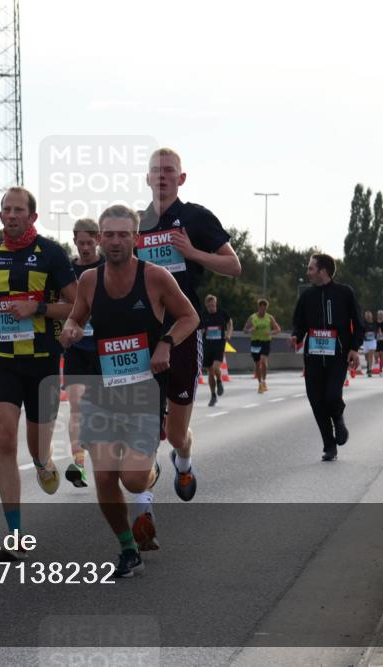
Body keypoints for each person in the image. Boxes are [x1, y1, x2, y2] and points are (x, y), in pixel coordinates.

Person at [60, 205, 199, 577]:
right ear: (101, 239)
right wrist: (71, 328)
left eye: (124, 234)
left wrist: (166, 343)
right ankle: (127, 548)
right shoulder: (90, 279)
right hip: (103, 390)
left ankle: (151, 467)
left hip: (142, 392)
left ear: (135, 238)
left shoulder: (156, 277)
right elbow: (77, 315)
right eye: (110, 235)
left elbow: (190, 316)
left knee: (132, 478)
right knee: (105, 475)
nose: (116, 241)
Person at [0, 187, 77, 561]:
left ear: (33, 217)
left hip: (41, 360)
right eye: (6, 210)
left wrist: (37, 307)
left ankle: (43, 462)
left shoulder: (50, 253)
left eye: (19, 210)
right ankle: (15, 534)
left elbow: (76, 305)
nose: (12, 215)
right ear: (0, 216)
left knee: (36, 446)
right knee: (4, 439)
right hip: (1, 358)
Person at [137, 147, 241, 507]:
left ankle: (183, 461)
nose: (162, 175)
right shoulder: (135, 224)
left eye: (169, 170)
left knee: (176, 433)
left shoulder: (196, 217)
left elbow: (233, 266)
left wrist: (193, 252)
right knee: (146, 426)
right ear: (147, 178)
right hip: (142, 335)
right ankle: (143, 506)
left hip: (184, 328)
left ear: (180, 179)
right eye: (155, 170)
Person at [290, 254, 363, 462]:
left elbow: (357, 322)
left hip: (337, 355)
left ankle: (338, 419)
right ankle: (329, 446)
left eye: (311, 268)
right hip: (313, 357)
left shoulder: (344, 293)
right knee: (316, 400)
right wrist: (296, 335)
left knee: (331, 396)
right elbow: (299, 322)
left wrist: (354, 348)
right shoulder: (307, 296)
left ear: (323, 271)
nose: (308, 272)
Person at [63, 218, 105, 488]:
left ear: (98, 240)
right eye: (81, 243)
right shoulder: (67, 271)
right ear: (75, 241)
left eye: (90, 242)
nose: (86, 247)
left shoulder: (109, 267)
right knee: (76, 406)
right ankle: (78, 464)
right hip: (77, 349)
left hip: (105, 349)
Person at [244, 298, 282, 394]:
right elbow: (244, 330)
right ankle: (260, 383)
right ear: (258, 307)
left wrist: (271, 332)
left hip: (265, 342)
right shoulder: (252, 318)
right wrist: (250, 330)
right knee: (257, 364)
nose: (263, 311)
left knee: (263, 362)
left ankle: (264, 381)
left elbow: (278, 329)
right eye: (261, 308)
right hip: (255, 342)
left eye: (265, 309)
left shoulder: (269, 318)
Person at [201, 294, 233, 405]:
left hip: (219, 344)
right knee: (210, 371)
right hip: (207, 345)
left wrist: (228, 333)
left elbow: (229, 322)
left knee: (215, 367)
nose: (212, 308)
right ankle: (213, 395)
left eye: (213, 305)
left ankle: (219, 380)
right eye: (209, 306)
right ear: (206, 306)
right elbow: (199, 327)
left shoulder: (222, 313)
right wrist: (202, 331)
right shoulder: (203, 315)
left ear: (216, 304)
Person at [361, 311, 377, 376]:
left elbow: (378, 329)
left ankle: (370, 370)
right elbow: (360, 331)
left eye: (369, 316)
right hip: (365, 342)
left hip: (372, 341)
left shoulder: (375, 323)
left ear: (371, 316)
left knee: (371, 356)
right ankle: (368, 364)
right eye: (367, 316)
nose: (368, 317)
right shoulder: (363, 323)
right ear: (365, 317)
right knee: (366, 357)